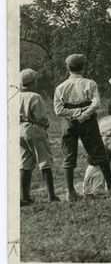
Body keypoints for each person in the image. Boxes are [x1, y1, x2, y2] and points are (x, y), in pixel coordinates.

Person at [54, 53, 111, 200]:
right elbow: (96, 103)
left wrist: (74, 113)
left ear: (67, 68)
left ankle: (70, 191)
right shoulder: (90, 83)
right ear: (83, 67)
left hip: (69, 122)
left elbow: (58, 110)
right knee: (99, 152)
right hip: (88, 121)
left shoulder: (60, 87)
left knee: (69, 155)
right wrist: (83, 114)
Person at [19, 68, 59, 205]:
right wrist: (45, 125)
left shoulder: (16, 96)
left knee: (24, 163)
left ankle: (25, 196)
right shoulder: (34, 96)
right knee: (44, 161)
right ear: (32, 82)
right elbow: (41, 118)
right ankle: (51, 195)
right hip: (33, 128)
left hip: (19, 130)